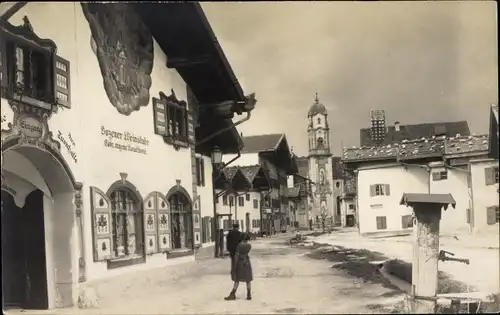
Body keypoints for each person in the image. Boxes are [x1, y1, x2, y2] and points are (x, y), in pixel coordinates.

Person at [225, 233, 253, 301]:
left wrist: (234, 267)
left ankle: (232, 294)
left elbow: (236, 256)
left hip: (240, 262)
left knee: (237, 279)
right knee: (248, 279)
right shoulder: (249, 245)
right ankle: (249, 294)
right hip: (246, 262)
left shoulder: (239, 245)